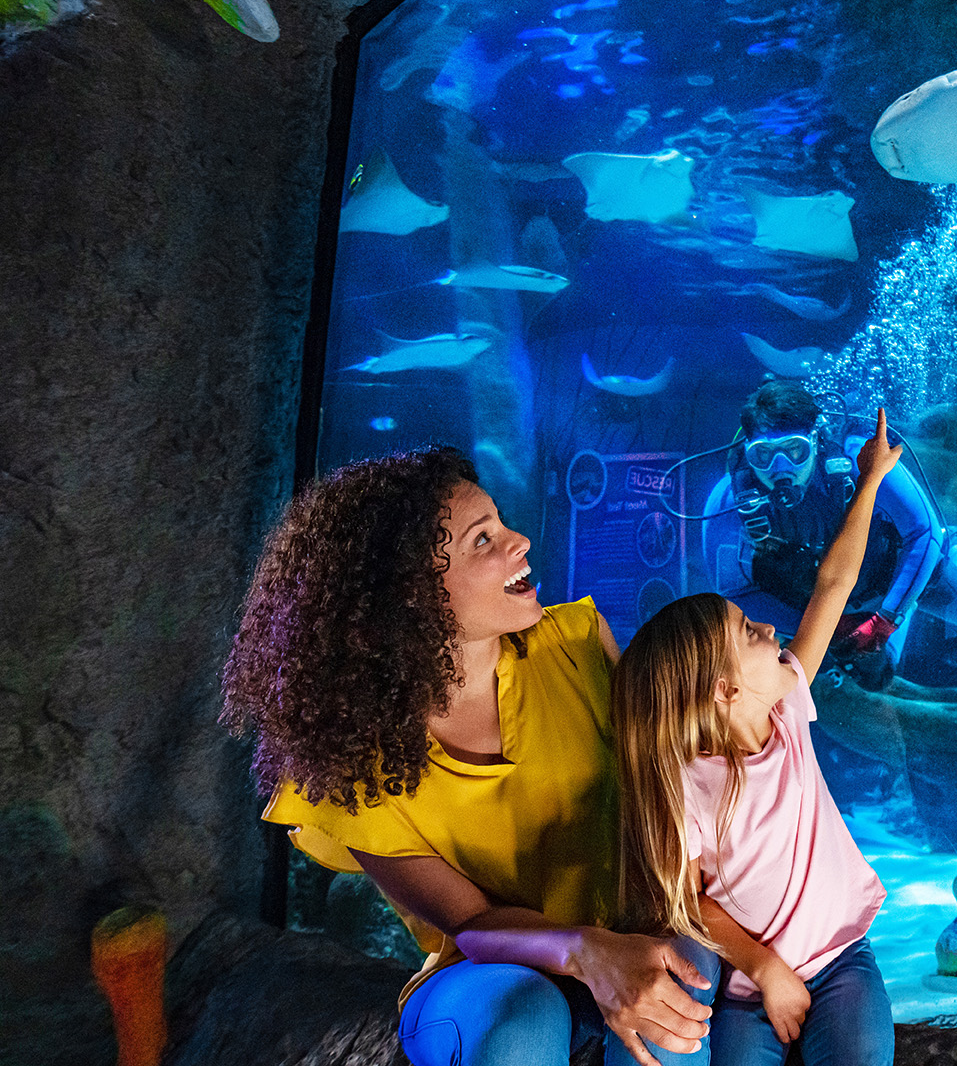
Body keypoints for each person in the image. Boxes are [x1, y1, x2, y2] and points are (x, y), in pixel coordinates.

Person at [220, 447, 717, 1066]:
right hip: (491, 971)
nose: (521, 541)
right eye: (484, 539)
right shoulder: (354, 767)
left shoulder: (579, 645)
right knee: (519, 1025)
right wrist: (588, 952)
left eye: (501, 523)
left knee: (679, 982)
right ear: (408, 595)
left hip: (627, 932)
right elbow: (472, 921)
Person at [614, 407, 901, 1066]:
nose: (772, 631)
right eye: (749, 633)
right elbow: (688, 900)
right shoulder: (684, 780)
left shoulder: (785, 704)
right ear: (721, 690)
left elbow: (834, 584)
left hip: (843, 960)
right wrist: (765, 969)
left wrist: (869, 485)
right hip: (747, 985)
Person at [700, 380, 957, 688]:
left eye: (795, 451)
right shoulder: (727, 502)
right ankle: (898, 614)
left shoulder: (861, 456)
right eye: (763, 455)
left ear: (815, 441)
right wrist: (829, 628)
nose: (780, 468)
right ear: (748, 453)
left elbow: (923, 533)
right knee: (876, 681)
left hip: (893, 571)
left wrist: (884, 620)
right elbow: (733, 596)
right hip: (826, 605)